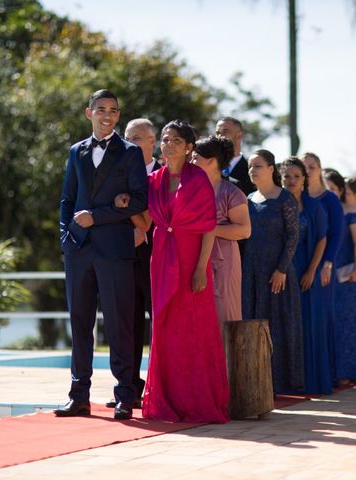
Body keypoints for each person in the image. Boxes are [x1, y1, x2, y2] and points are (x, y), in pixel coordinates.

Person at [55, 89, 148, 420]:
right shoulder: (76, 151)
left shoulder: (131, 153)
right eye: (100, 109)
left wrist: (100, 215)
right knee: (80, 323)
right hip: (79, 251)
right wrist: (67, 237)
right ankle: (78, 394)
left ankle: (124, 395)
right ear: (88, 112)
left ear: (118, 116)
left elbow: (139, 201)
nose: (107, 115)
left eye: (113, 110)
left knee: (120, 324)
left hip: (115, 250)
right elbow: (67, 198)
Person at [139, 120, 229, 423]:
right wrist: (123, 206)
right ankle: (167, 400)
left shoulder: (199, 180)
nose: (169, 144)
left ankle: (197, 401)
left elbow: (209, 228)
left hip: (193, 261)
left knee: (194, 329)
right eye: (165, 139)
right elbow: (145, 222)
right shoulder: (153, 180)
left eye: (176, 140)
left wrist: (202, 268)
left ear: (189, 147)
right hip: (162, 259)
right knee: (165, 328)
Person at [105, 118, 159, 410]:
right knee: (128, 325)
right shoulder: (117, 173)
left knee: (158, 324)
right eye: (128, 138)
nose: (132, 143)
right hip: (122, 259)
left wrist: (142, 230)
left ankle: (159, 386)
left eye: (138, 138)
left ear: (153, 142)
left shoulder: (165, 174)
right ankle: (128, 388)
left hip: (157, 259)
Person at [242, 149, 303, 393]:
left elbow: (293, 236)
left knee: (278, 324)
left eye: (258, 166)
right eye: (250, 166)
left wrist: (281, 269)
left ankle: (280, 382)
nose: (252, 171)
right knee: (252, 321)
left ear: (271, 169)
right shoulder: (247, 198)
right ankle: (254, 380)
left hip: (277, 273)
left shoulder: (285, 198)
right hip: (251, 271)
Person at [280, 157, 332, 395]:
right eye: (286, 176)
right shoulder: (277, 202)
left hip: (305, 269)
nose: (291, 180)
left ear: (304, 179)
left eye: (296, 176)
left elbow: (322, 238)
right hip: (281, 269)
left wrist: (312, 270)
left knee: (308, 323)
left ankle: (310, 380)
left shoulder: (314, 206)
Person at [192, 135, 251, 327]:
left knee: (223, 317)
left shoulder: (232, 192)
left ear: (210, 161)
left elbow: (244, 230)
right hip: (192, 258)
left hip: (223, 262)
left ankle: (225, 358)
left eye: (195, 157)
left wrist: (209, 228)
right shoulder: (189, 190)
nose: (191, 161)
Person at [302, 153, 344, 382]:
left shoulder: (330, 199)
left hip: (322, 265)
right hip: (299, 261)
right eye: (304, 166)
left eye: (312, 166)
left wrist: (327, 264)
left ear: (320, 169)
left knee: (321, 315)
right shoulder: (296, 196)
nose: (308, 170)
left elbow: (337, 234)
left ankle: (323, 373)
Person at [333, 177, 356, 384]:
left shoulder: (352, 214)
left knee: (348, 321)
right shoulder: (332, 209)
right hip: (331, 270)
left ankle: (349, 370)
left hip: (347, 274)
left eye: (345, 191)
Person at [216, 117, 255, 196]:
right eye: (217, 133)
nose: (219, 136)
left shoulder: (251, 170)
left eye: (225, 131)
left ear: (239, 135)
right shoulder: (210, 167)